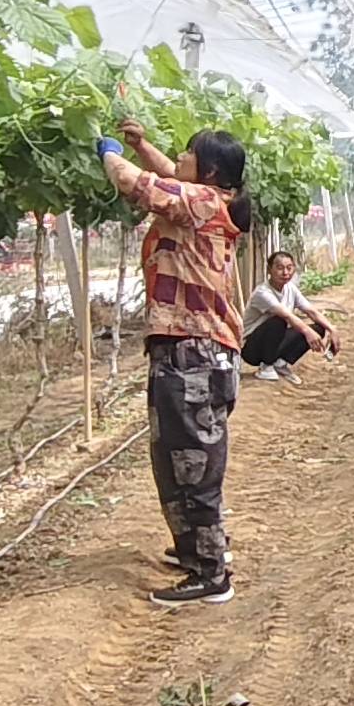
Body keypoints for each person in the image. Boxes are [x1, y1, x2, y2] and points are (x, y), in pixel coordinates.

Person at [101, 119, 257, 606]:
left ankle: (212, 575)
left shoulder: (202, 202)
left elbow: (136, 184)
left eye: (187, 155)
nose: (179, 160)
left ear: (208, 172)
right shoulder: (210, 199)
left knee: (192, 463)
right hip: (190, 351)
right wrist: (143, 144)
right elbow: (170, 175)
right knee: (176, 460)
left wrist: (107, 151)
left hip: (193, 352)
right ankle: (196, 549)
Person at [241, 250, 340, 381]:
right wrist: (307, 331)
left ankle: (280, 364)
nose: (285, 273)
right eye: (280, 268)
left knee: (318, 328)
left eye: (289, 268)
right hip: (252, 349)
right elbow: (287, 316)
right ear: (269, 270)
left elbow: (311, 311)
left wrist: (331, 329)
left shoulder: (290, 288)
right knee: (279, 321)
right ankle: (266, 367)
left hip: (275, 342)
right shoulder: (262, 293)